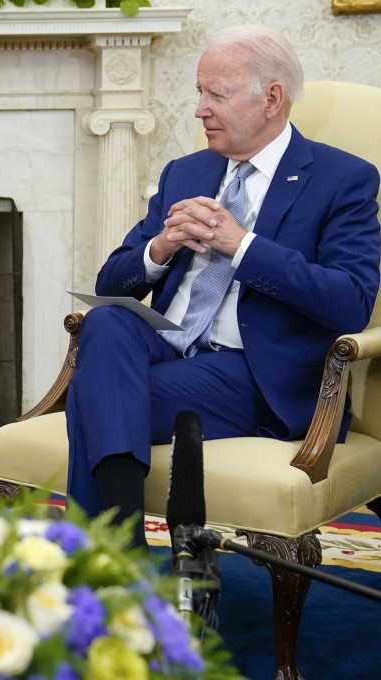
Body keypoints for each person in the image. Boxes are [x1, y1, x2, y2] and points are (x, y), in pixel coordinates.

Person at [65, 25, 381, 548]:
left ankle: (110, 553)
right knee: (107, 319)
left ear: (272, 99)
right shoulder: (186, 172)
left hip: (256, 374)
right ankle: (120, 550)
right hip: (169, 345)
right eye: (199, 92)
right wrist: (160, 247)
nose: (199, 110)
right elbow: (111, 281)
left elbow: (349, 301)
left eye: (217, 94)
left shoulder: (342, 178)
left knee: (93, 394)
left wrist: (242, 245)